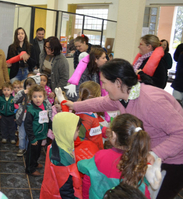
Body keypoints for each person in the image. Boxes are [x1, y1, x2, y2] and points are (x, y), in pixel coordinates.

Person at [65, 58, 183, 199]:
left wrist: (155, 154)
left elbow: (180, 134)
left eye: (104, 83)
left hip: (173, 161)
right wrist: (75, 106)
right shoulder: (124, 96)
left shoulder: (152, 102)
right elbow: (101, 103)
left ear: (118, 82)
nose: (103, 87)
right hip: (151, 156)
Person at [77, 114, 151, 198]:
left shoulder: (101, 156)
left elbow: (87, 181)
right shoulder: (140, 161)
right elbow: (144, 191)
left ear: (114, 135)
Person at [40, 112, 83, 199]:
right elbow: (66, 190)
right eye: (77, 130)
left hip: (50, 187)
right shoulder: (63, 160)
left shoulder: (57, 142)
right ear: (66, 131)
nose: (78, 132)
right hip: (58, 194)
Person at [24, 85, 50, 176]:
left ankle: (34, 163)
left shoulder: (45, 106)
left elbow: (47, 118)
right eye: (35, 97)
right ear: (31, 97)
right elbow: (27, 126)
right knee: (31, 153)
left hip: (41, 134)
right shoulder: (31, 110)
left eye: (40, 96)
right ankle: (30, 169)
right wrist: (32, 138)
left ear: (44, 97)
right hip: (34, 136)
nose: (37, 99)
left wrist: (50, 128)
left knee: (38, 152)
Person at [75, 81, 105, 150]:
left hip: (96, 151)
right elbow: (79, 139)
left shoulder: (90, 113)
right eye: (99, 96)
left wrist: (104, 130)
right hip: (89, 155)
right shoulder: (83, 117)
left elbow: (93, 127)